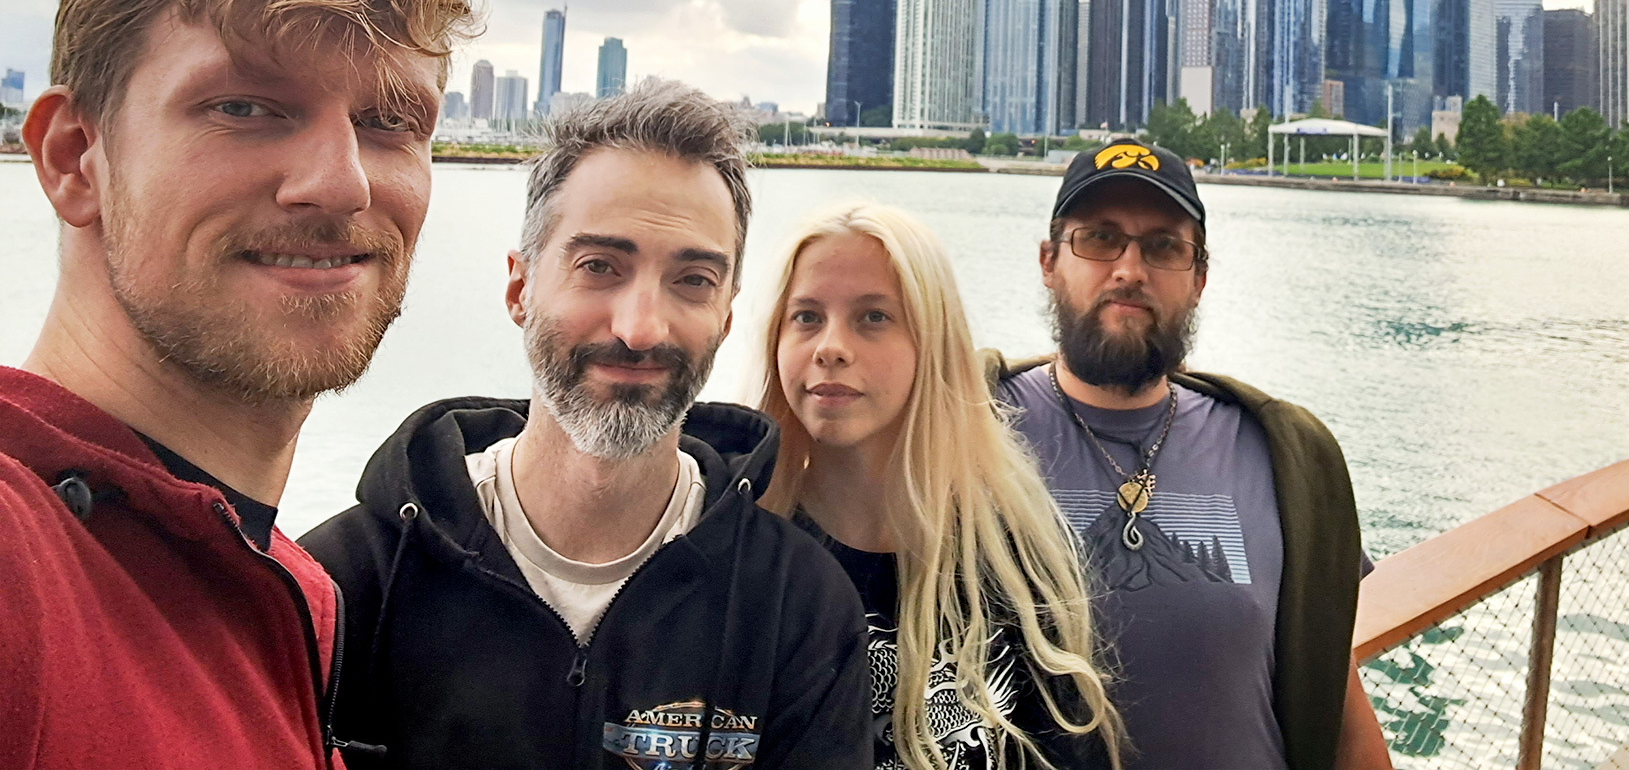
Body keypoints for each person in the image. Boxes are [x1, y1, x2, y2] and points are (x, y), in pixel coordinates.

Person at [1, 0, 477, 769]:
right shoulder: (19, 563)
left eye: (388, 121)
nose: (340, 183)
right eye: (244, 108)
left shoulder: (290, 590)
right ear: (73, 158)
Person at [302, 82, 873, 769]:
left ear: (726, 316)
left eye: (692, 279)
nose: (640, 329)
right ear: (520, 288)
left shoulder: (797, 607)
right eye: (599, 267)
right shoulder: (345, 586)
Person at [986, 139, 1392, 770]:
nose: (1129, 270)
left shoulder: (1282, 457)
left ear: (1199, 277)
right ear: (1049, 261)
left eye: (1163, 247)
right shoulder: (971, 431)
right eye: (1100, 239)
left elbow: (1335, 702)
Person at [759, 202, 1125, 770]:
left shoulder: (1016, 559)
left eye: (873, 317)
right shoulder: (742, 551)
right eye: (806, 316)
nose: (831, 346)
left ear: (933, 344)